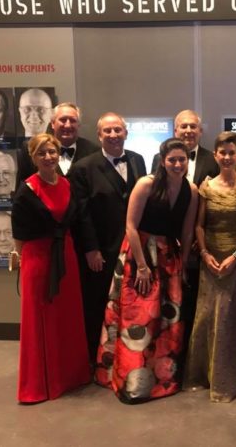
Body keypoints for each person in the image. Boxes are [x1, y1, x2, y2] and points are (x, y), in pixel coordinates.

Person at [95, 138, 199, 404]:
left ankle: (161, 378)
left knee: (166, 320)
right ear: (163, 161)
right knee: (138, 316)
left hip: (169, 256)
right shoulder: (146, 184)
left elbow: (187, 232)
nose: (178, 164)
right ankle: (131, 379)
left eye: (182, 159)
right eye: (172, 159)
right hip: (139, 252)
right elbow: (130, 226)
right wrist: (142, 267)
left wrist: (183, 264)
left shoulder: (191, 190)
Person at [184, 131, 236, 402]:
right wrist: (204, 254)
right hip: (210, 261)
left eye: (232, 153)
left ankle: (230, 378)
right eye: (223, 153)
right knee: (207, 316)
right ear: (216, 155)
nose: (228, 157)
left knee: (231, 316)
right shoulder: (206, 187)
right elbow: (199, 225)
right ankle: (204, 374)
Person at [11, 133, 90, 403]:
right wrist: (22, 260)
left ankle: (70, 376)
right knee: (40, 319)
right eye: (41, 153)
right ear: (33, 158)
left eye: (52, 152)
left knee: (66, 316)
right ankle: (40, 384)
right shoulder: (27, 189)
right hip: (38, 259)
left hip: (66, 256)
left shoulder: (67, 184)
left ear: (58, 154)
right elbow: (19, 234)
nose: (48, 157)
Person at [70, 112, 147, 364]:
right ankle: (97, 362)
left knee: (130, 304)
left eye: (118, 130)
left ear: (126, 133)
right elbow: (82, 214)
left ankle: (127, 359)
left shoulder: (137, 160)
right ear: (99, 135)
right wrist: (91, 249)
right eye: (108, 131)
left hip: (133, 248)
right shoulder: (83, 168)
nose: (113, 135)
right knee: (99, 304)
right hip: (102, 251)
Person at [151, 109, 219, 366]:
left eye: (193, 126)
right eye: (183, 126)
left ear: (200, 131)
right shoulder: (158, 161)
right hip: (165, 244)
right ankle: (169, 354)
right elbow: (156, 202)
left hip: (201, 242)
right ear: (175, 130)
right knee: (166, 300)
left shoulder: (213, 160)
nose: (189, 131)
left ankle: (194, 355)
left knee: (196, 298)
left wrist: (198, 240)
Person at [17, 102, 99, 182]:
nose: (68, 125)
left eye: (73, 120)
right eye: (63, 120)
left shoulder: (93, 151)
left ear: (78, 124)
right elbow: (23, 184)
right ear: (53, 123)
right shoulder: (31, 147)